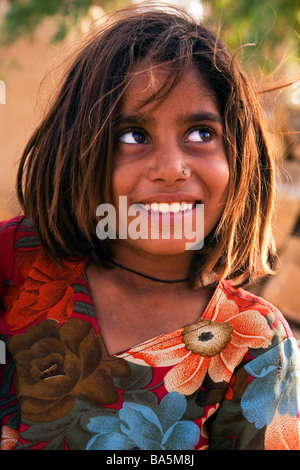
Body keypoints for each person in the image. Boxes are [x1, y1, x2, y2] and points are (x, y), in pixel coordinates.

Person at [0, 2, 299, 451]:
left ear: (238, 155)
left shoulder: (254, 344)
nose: (171, 169)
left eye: (201, 133)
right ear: (78, 151)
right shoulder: (14, 261)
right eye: (132, 135)